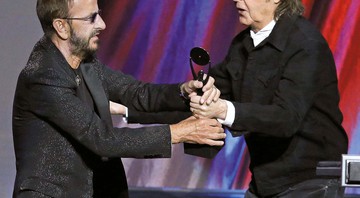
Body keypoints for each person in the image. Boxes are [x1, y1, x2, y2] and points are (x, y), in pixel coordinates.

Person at [11, 0, 226, 197]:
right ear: (61, 27)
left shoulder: (85, 62)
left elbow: (135, 92)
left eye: (99, 14)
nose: (102, 24)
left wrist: (183, 91)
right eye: (91, 18)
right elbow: (101, 139)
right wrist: (179, 132)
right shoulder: (43, 75)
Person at [188, 0, 349, 197]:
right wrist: (148, 98)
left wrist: (223, 110)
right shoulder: (243, 44)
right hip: (266, 181)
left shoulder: (305, 43)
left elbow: (286, 117)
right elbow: (210, 93)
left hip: (309, 182)